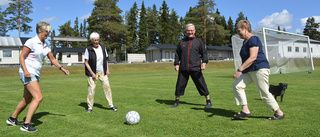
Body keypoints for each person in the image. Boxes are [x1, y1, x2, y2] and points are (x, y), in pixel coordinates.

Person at [6, 22, 70, 132]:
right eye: (46, 31)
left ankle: (12, 118)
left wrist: (61, 68)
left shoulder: (46, 44)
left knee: (27, 100)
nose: (48, 34)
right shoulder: (31, 42)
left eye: (49, 32)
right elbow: (21, 56)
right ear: (40, 30)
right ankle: (26, 124)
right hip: (28, 72)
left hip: (35, 73)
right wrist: (25, 70)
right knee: (38, 97)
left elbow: (52, 58)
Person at [233, 20, 285, 120]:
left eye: (239, 30)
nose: (238, 33)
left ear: (246, 28)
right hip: (249, 70)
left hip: (259, 68)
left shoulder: (254, 39)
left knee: (264, 92)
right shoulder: (245, 42)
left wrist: (239, 70)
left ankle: (279, 113)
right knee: (237, 85)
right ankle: (245, 110)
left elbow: (253, 57)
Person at [171, 23, 212, 108]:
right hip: (183, 69)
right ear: (186, 31)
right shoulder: (182, 42)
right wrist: (176, 64)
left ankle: (208, 101)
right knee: (179, 85)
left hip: (196, 68)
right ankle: (176, 101)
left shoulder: (198, 42)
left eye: (191, 30)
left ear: (194, 31)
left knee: (201, 84)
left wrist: (204, 63)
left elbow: (204, 53)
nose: (190, 32)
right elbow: (177, 54)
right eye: (188, 30)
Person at [84, 32, 117, 113]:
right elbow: (86, 62)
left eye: (98, 40)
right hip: (92, 73)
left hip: (102, 72)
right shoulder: (88, 49)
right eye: (95, 40)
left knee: (107, 88)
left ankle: (111, 105)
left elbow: (106, 60)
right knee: (91, 90)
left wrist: (107, 70)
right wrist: (92, 73)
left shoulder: (103, 47)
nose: (96, 42)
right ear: (92, 41)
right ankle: (90, 107)